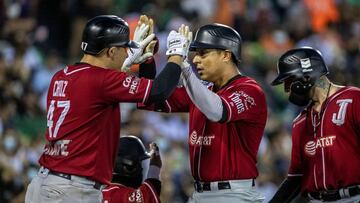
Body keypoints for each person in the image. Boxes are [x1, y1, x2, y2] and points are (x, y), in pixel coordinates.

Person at [24, 14, 186, 203]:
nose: (127, 53)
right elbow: (158, 92)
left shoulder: (61, 75)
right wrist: (177, 55)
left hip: (43, 182)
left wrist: (138, 64)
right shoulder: (102, 81)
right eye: (124, 49)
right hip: (72, 190)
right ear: (110, 52)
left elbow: (95, 90)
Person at [139, 23, 267, 203]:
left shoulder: (250, 90)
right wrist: (147, 61)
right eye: (195, 54)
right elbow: (153, 99)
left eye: (203, 53)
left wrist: (183, 66)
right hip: (199, 193)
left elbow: (217, 111)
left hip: (235, 195)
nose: (196, 60)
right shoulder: (201, 89)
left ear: (225, 55)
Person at [269, 47, 360, 203]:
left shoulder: (354, 99)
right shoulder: (300, 122)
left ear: (306, 76)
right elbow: (296, 178)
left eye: (289, 81)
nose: (286, 89)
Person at [102, 135, 162, 203]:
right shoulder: (124, 195)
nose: (141, 168)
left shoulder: (96, 192)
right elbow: (149, 194)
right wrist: (155, 167)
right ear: (129, 167)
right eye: (139, 164)